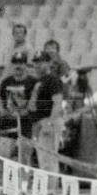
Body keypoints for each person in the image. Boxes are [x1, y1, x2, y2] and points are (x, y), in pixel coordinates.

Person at [29, 51, 65, 183]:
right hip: (39, 121)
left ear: (49, 63)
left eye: (41, 62)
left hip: (48, 121)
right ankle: (45, 193)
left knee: (48, 160)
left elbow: (58, 102)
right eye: (35, 62)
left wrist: (49, 123)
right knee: (43, 159)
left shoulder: (53, 80)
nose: (37, 65)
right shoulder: (40, 80)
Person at [0, 51, 38, 161]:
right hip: (8, 123)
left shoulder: (33, 82)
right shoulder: (6, 81)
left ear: (25, 65)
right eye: (15, 63)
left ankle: (24, 177)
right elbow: (0, 97)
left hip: (26, 124)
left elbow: (35, 101)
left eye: (21, 63)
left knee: (24, 156)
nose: (18, 66)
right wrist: (2, 110)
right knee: (3, 154)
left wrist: (26, 111)